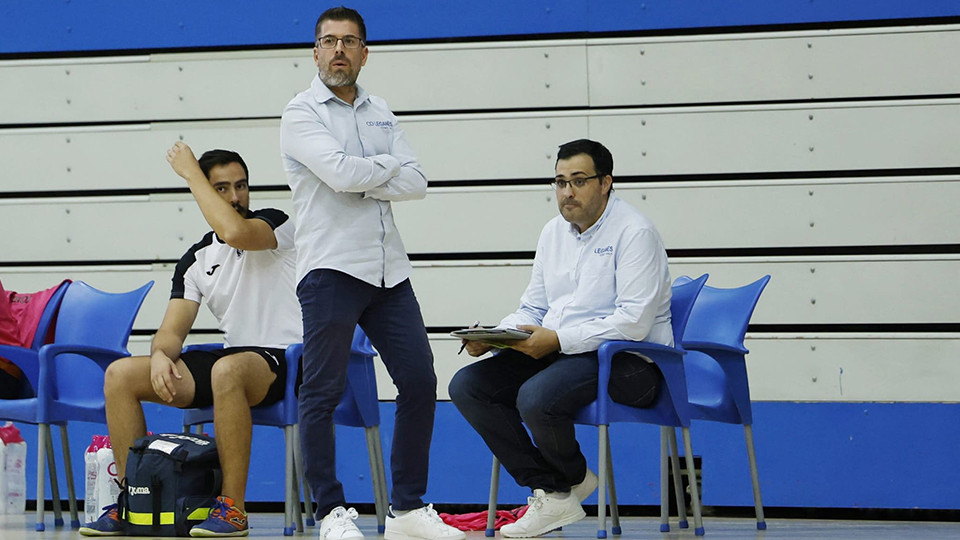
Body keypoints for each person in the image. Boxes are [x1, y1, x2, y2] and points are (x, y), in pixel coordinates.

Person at [279, 6, 464, 540]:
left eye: (349, 41)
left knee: (420, 380)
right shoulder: (299, 113)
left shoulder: (380, 109)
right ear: (315, 52)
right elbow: (337, 174)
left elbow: (420, 181)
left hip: (389, 271)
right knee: (322, 391)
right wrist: (386, 169)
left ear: (365, 52)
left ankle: (406, 510)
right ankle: (331, 512)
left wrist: (366, 175)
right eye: (328, 41)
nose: (338, 50)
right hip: (331, 269)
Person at [448, 139, 673, 538]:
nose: (567, 192)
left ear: (606, 183)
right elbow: (533, 308)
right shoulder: (554, 232)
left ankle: (559, 490)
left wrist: (557, 340)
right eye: (559, 182)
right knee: (468, 385)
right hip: (565, 354)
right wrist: (497, 336)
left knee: (536, 396)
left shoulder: (635, 232)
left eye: (579, 181)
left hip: (631, 363)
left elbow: (633, 322)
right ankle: (557, 488)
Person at [80, 143, 302, 538]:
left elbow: (234, 230)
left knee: (227, 370)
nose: (235, 197)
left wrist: (190, 174)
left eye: (241, 186)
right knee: (121, 374)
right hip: (230, 360)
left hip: (285, 359)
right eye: (222, 188)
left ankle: (232, 509)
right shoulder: (197, 258)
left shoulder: (274, 224)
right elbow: (171, 330)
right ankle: (134, 501)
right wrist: (162, 355)